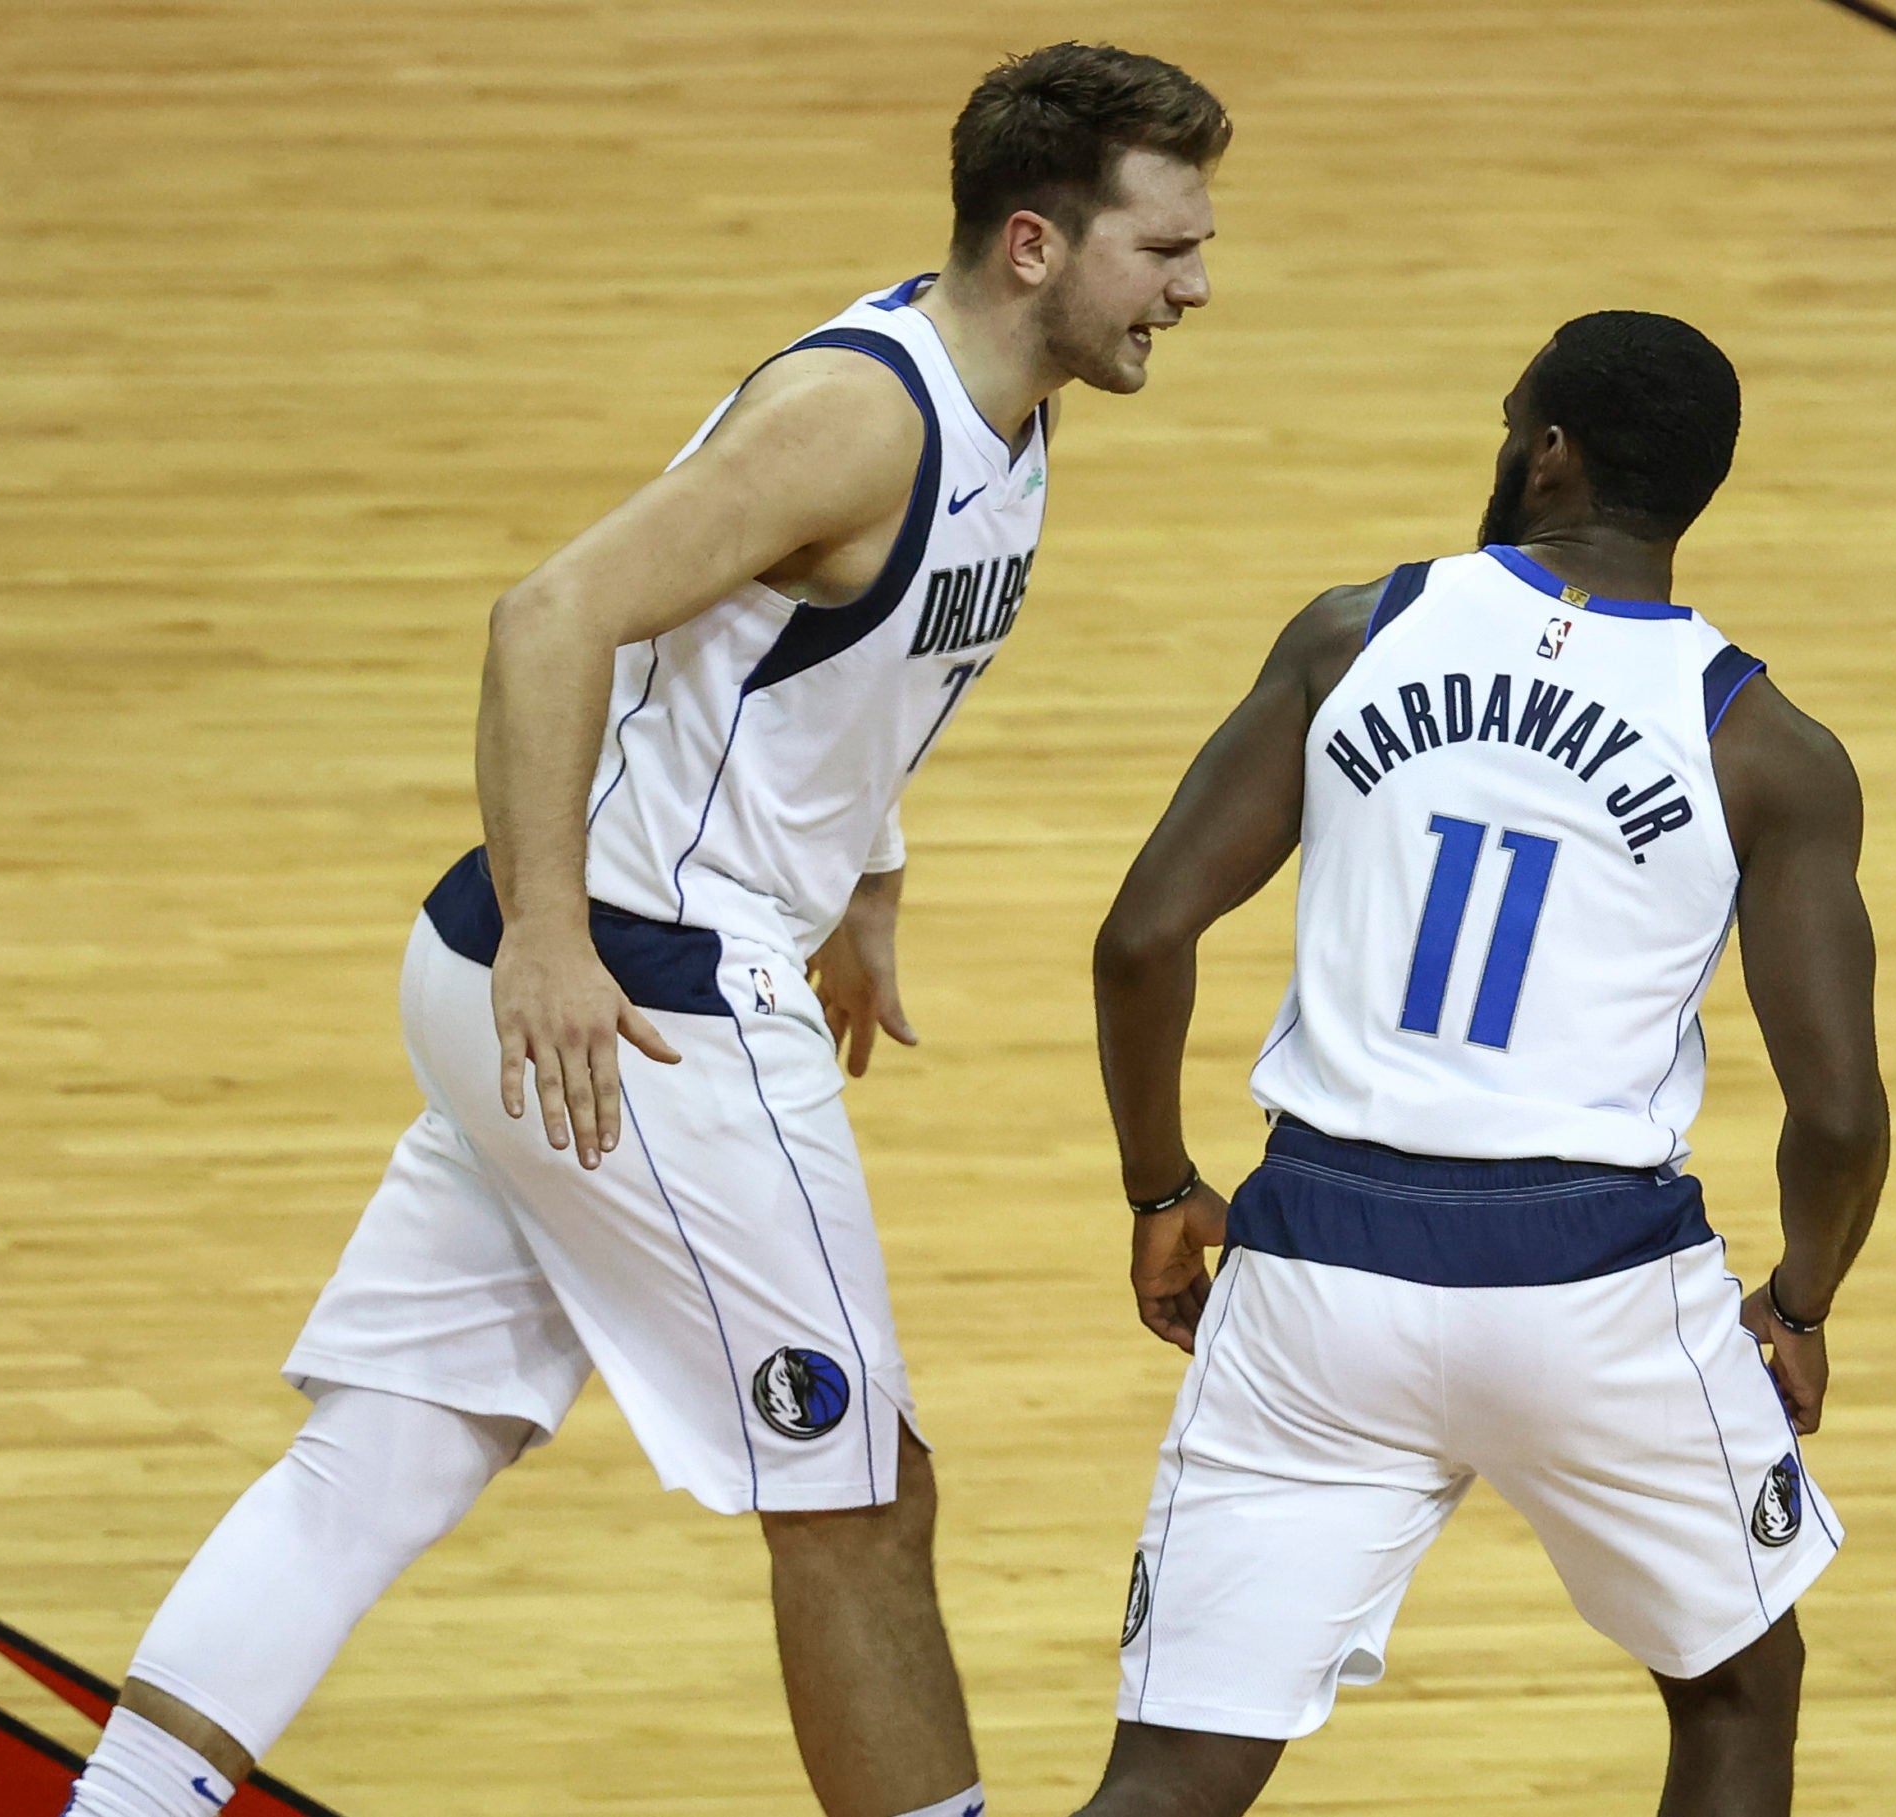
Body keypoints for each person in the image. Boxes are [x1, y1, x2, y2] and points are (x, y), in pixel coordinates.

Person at [63, 43, 1228, 1817]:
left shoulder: (1008, 400)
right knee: (856, 1492)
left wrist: (870, 868)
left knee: (386, 1449)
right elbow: (554, 617)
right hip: (636, 996)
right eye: (1164, 249)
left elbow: (796, 656)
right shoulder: (868, 416)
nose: (1196, 285)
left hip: (554, 970)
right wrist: (555, 935)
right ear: (1032, 245)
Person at [1079, 311, 1889, 1817]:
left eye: (1510, 416)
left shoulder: (1357, 629)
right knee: (1736, 1689)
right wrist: (1798, 1300)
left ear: (1551, 452)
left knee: (1175, 1767)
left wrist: (1160, 1186)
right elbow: (1838, 1114)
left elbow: (1142, 938)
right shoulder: (1769, 747)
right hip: (1595, 1282)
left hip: (1319, 1262)